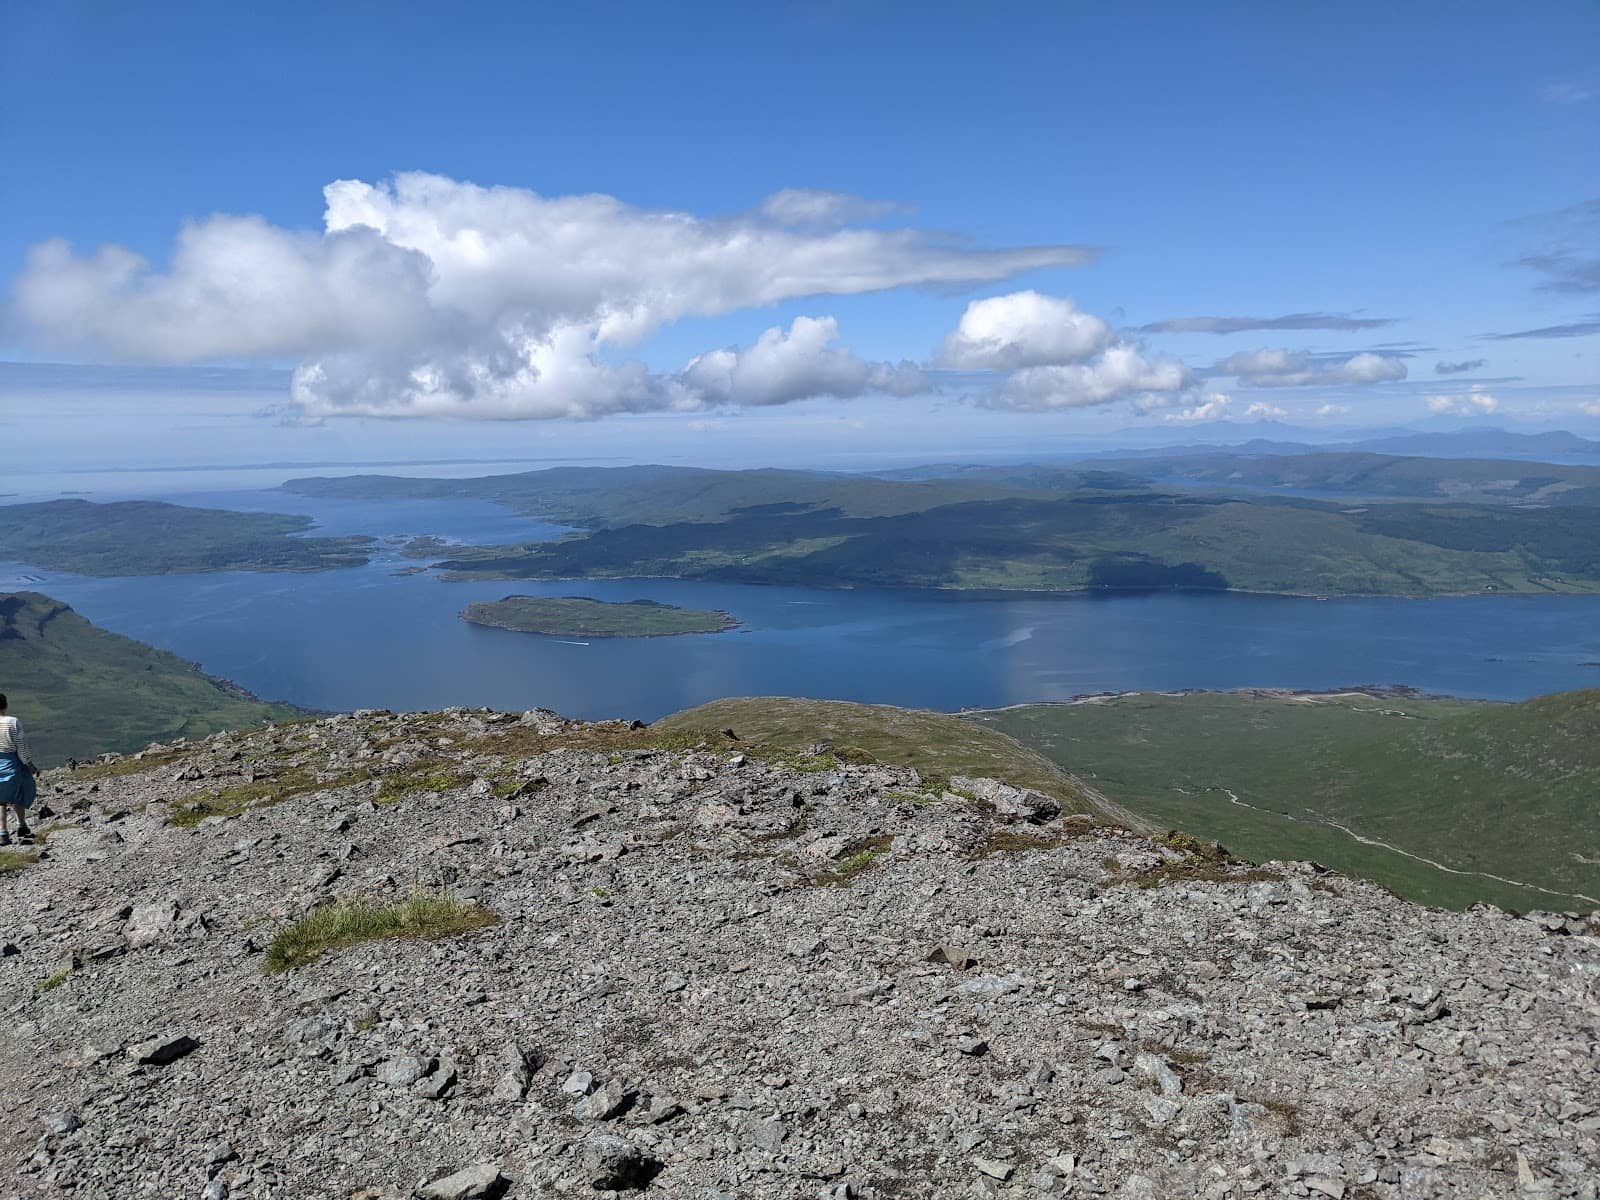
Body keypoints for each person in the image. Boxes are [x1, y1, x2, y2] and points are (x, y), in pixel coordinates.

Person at [0, 694, 40, 846]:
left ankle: (3, 833)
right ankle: (21, 825)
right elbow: (21, 747)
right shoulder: (13, 722)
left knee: (1, 800)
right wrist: (29, 765)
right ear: (5, 705)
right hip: (12, 764)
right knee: (20, 792)